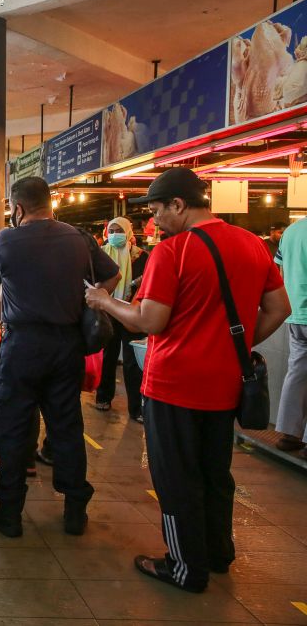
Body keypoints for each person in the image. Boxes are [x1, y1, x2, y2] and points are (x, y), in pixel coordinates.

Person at [85, 167, 289, 593]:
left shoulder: (172, 251)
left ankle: (184, 567)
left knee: (175, 475)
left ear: (179, 205)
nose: (153, 220)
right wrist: (234, 344)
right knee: (216, 472)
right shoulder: (253, 245)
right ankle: (218, 553)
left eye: (157, 210)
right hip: (226, 383)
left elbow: (148, 321)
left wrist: (105, 301)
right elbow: (278, 308)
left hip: (174, 384)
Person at [0, 176, 120, 539]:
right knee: (66, 427)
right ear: (50, 202)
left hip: (21, 347)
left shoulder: (5, 240)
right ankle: (75, 510)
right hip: (66, 346)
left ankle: (9, 512)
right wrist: (95, 298)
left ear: (17, 207)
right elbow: (112, 274)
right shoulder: (80, 238)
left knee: (12, 426)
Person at [94, 217, 150, 421]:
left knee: (132, 361)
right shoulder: (101, 255)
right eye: (112, 230)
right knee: (107, 357)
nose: (115, 234)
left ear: (127, 232)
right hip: (107, 312)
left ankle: (136, 408)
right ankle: (103, 397)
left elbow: (148, 281)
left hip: (131, 313)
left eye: (119, 230)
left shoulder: (141, 257)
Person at [275, 218, 307, 453]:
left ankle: (289, 434)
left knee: (297, 371)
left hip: (295, 312)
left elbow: (280, 270)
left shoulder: (292, 231)